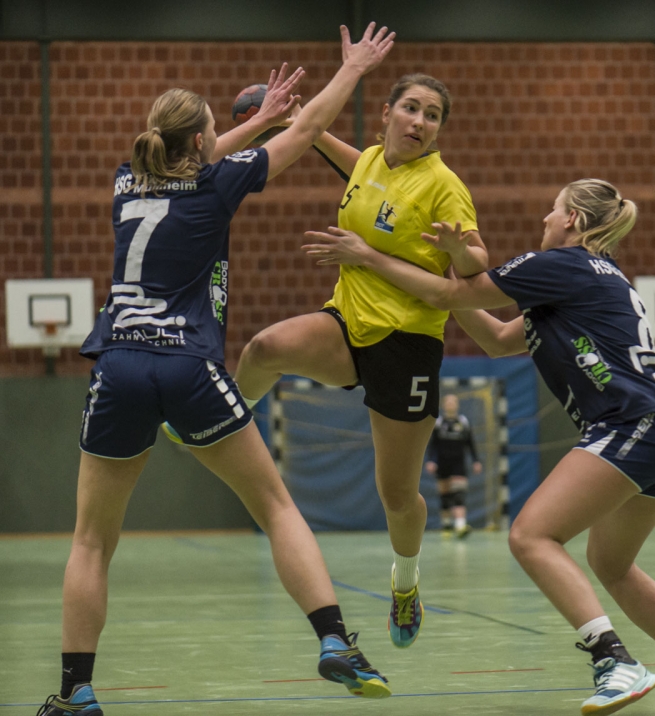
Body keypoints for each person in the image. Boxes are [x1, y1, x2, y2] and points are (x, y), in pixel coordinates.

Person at [37, 24, 396, 716]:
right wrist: (351, 70)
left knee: (91, 541)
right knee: (275, 507)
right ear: (202, 144)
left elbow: (191, 158)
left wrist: (254, 121)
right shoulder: (216, 187)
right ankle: (334, 642)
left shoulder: (124, 182)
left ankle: (77, 691)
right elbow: (309, 130)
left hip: (118, 365)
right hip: (188, 368)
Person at [302, 178, 655, 715]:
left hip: (632, 422)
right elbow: (493, 339)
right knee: (611, 563)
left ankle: (614, 660)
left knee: (531, 536)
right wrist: (450, 266)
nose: (545, 219)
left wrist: (370, 256)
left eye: (553, 209)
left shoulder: (560, 264)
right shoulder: (584, 279)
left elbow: (451, 295)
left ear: (572, 220)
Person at [234, 73, 488, 649]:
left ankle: (406, 582)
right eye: (411, 108)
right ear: (388, 113)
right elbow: (336, 151)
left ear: (438, 130)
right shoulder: (372, 160)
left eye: (432, 115)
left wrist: (458, 250)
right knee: (264, 349)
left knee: (396, 496)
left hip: (407, 345)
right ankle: (224, 418)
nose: (420, 121)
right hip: (347, 323)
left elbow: (476, 264)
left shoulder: (444, 185)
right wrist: (294, 121)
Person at [425, 393, 482, 537]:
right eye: (448, 402)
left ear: (457, 405)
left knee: (458, 494)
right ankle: (446, 526)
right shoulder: (439, 423)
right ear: (443, 405)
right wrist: (431, 461)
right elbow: (433, 445)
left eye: (453, 402)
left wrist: (476, 460)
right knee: (445, 496)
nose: (450, 404)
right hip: (443, 463)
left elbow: (470, 443)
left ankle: (460, 525)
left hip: (458, 463)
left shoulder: (463, 422)